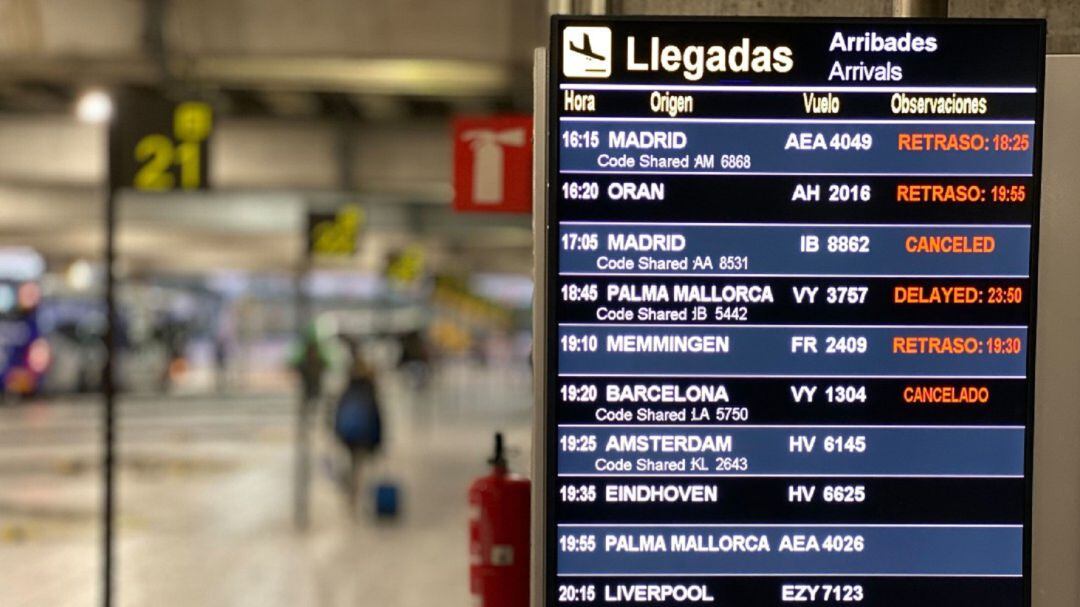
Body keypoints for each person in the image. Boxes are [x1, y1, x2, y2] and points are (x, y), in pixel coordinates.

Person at [333, 341, 383, 514]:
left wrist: (337, 432)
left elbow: (339, 411)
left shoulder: (349, 388)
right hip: (364, 434)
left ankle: (353, 495)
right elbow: (377, 416)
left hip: (349, 433)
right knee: (359, 466)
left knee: (353, 464)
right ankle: (356, 496)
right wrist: (378, 440)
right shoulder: (369, 389)